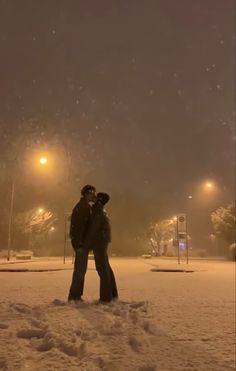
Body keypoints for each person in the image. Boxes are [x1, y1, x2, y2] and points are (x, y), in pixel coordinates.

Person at [85, 192, 118, 302]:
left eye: (95, 196)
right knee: (105, 267)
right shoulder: (101, 209)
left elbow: (94, 227)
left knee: (102, 268)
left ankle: (106, 297)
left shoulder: (97, 209)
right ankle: (112, 294)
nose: (93, 197)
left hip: (99, 241)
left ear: (99, 199)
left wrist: (87, 242)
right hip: (102, 240)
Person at [68, 184, 96, 302]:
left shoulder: (84, 206)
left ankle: (76, 295)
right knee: (80, 271)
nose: (92, 196)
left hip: (82, 244)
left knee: (81, 270)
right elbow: (77, 227)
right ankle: (74, 296)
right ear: (86, 194)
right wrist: (78, 244)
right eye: (91, 193)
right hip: (80, 244)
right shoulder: (82, 207)